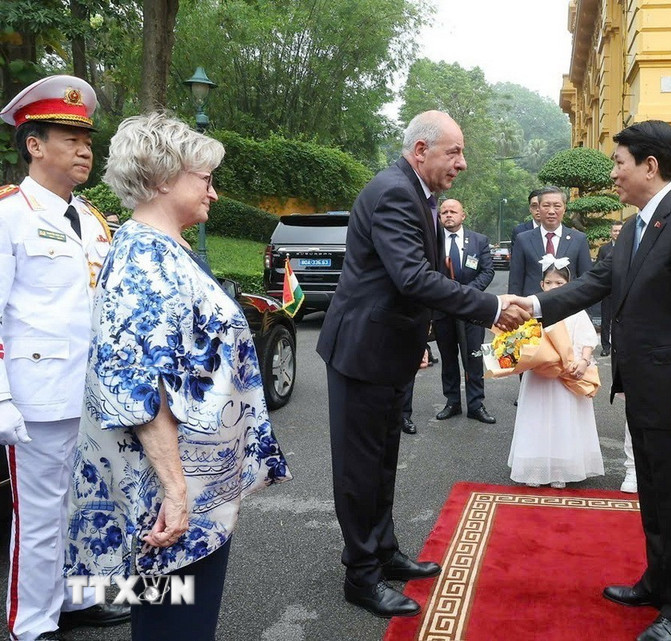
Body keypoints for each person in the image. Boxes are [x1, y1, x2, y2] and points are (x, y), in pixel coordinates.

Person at [64, 112, 292, 641]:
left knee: (173, 612)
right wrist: (175, 492)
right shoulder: (145, 254)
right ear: (164, 178)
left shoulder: (166, 249)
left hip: (194, 482)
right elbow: (138, 386)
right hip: (170, 491)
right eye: (205, 179)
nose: (213, 193)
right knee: (175, 622)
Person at [316, 110, 529, 619]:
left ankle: (383, 551)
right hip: (362, 352)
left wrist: (423, 336)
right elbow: (412, 277)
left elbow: (415, 279)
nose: (462, 162)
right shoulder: (394, 192)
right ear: (420, 151)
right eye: (453, 151)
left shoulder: (418, 195)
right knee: (360, 468)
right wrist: (493, 307)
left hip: (388, 348)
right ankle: (361, 575)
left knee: (384, 458)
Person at [519, 120, 671, 641]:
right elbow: (595, 283)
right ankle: (656, 582)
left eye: (619, 163)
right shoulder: (637, 226)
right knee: (654, 493)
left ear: (649, 166)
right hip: (641, 389)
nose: (614, 174)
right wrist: (535, 306)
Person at [0, 74, 129, 641]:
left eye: (88, 139)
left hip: (92, 396)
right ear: (34, 144)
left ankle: (74, 600)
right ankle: (31, 624)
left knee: (83, 509)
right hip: (37, 398)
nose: (85, 149)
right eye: (70, 137)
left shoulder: (95, 221)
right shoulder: (9, 214)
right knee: (39, 519)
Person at [508, 258, 603, 489]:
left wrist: (582, 360)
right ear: (541, 285)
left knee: (564, 419)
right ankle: (535, 468)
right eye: (549, 283)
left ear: (568, 285)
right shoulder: (533, 312)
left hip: (566, 375)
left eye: (559, 283)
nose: (553, 287)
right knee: (537, 419)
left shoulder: (576, 310)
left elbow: (586, 337)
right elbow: (522, 340)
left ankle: (561, 468)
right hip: (540, 376)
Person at [433, 198, 497, 424]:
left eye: (453, 211)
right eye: (444, 212)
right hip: (443, 309)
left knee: (473, 358)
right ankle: (452, 402)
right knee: (448, 358)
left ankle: (476, 404)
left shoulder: (479, 241)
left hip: (471, 311)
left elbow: (487, 271)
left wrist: (467, 294)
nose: (448, 215)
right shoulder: (432, 241)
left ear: (463, 216)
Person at [508, 186, 592, 297]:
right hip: (532, 309)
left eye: (557, 206)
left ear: (564, 208)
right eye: (546, 206)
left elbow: (586, 281)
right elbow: (515, 282)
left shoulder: (578, 239)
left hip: (569, 307)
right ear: (539, 208)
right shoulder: (523, 239)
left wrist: (586, 313)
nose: (551, 211)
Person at [595, 222, 622, 357]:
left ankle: (620, 345)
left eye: (619, 231)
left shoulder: (628, 246)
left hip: (623, 290)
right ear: (611, 233)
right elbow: (598, 268)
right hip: (607, 291)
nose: (617, 233)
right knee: (606, 320)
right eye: (615, 231)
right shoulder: (604, 249)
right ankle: (606, 346)